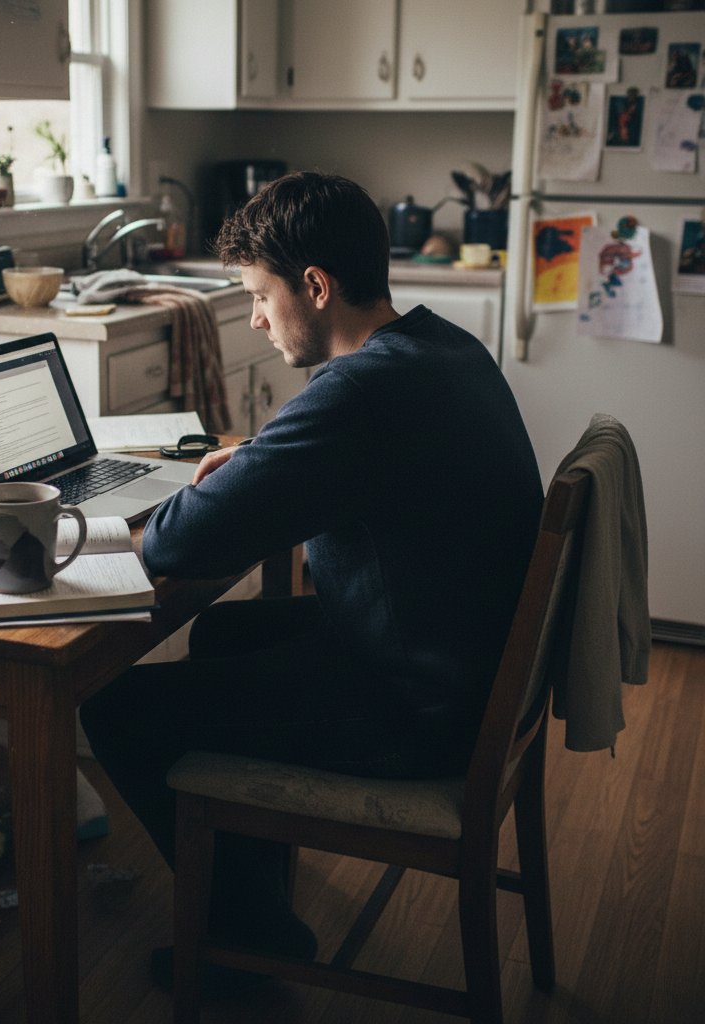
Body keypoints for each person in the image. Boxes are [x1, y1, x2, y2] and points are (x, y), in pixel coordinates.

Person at [80, 171, 544, 991]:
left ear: (317, 287)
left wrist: (212, 493)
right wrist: (257, 466)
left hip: (418, 709)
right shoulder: (438, 345)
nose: (256, 319)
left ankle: (248, 945)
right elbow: (333, 460)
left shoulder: (361, 390)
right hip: (462, 664)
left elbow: (180, 543)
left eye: (261, 296)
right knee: (222, 632)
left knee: (117, 707)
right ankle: (252, 906)